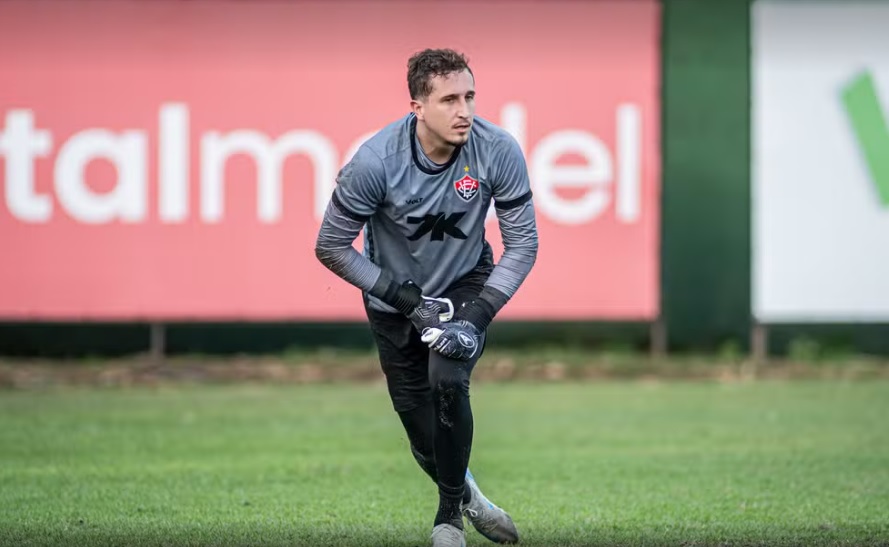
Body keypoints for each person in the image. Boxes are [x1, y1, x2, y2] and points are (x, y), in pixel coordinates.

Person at [314, 48, 538, 547]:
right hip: (393, 301)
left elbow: (523, 244)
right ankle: (470, 496)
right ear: (417, 106)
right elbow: (330, 245)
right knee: (420, 430)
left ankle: (447, 522)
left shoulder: (497, 149)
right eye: (449, 99)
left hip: (464, 286)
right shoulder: (374, 163)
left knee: (448, 380)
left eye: (470, 96)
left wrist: (476, 317)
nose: (465, 111)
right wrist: (405, 299)